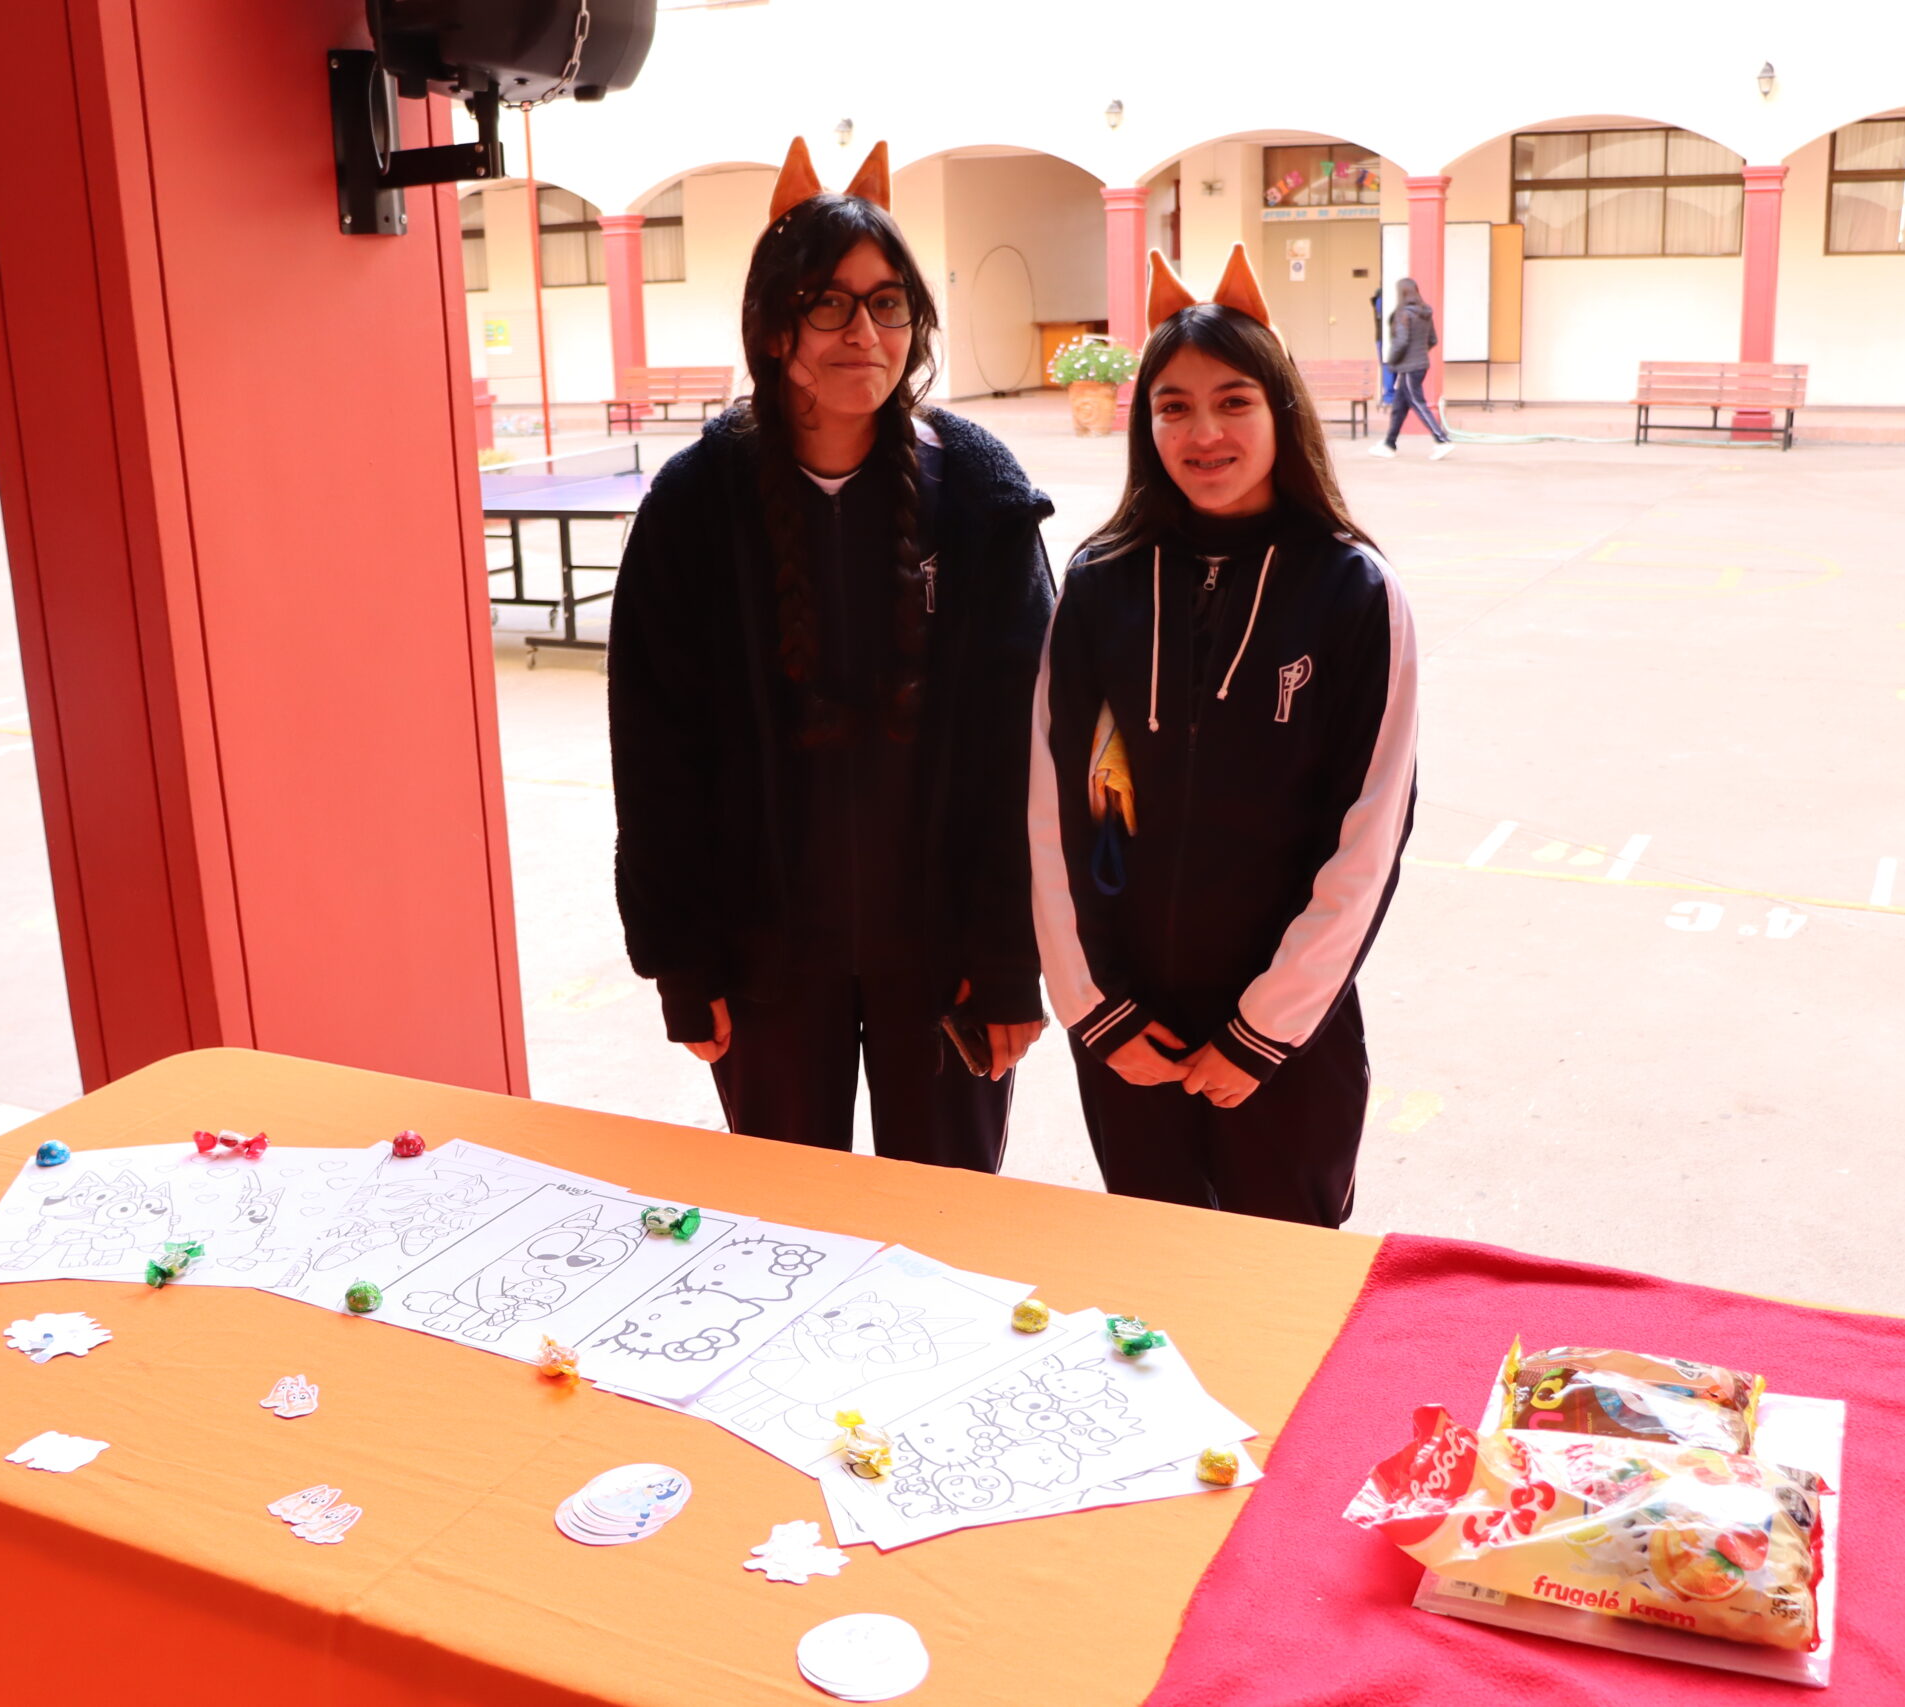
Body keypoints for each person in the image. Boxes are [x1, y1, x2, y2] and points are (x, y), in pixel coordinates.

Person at [608, 137, 1055, 1171]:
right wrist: (683, 958)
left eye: (888, 303)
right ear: (773, 327)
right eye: (830, 304)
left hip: (943, 957)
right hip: (763, 961)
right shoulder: (695, 507)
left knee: (942, 1225)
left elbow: (1027, 749)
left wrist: (1007, 956)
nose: (865, 332)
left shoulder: (979, 498)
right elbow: (655, 752)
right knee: (788, 1221)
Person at [1028, 245, 1419, 1227]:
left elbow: (1369, 834)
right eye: (1173, 407)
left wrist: (1265, 1029)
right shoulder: (1100, 583)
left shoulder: (1353, 591)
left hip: (1289, 1040)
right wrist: (1094, 1009)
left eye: (1233, 401)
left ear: (1281, 409)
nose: (1203, 432)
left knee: (1284, 1276)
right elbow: (1052, 808)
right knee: (1154, 1273)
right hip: (1130, 1030)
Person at [1371, 276, 1452, 461]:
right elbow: (1432, 340)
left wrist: (1391, 362)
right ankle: (1389, 444)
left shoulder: (1404, 314)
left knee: (1417, 402)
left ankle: (1442, 440)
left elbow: (1400, 342)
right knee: (1399, 407)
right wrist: (1419, 352)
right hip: (1420, 365)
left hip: (1409, 367)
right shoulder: (1424, 313)